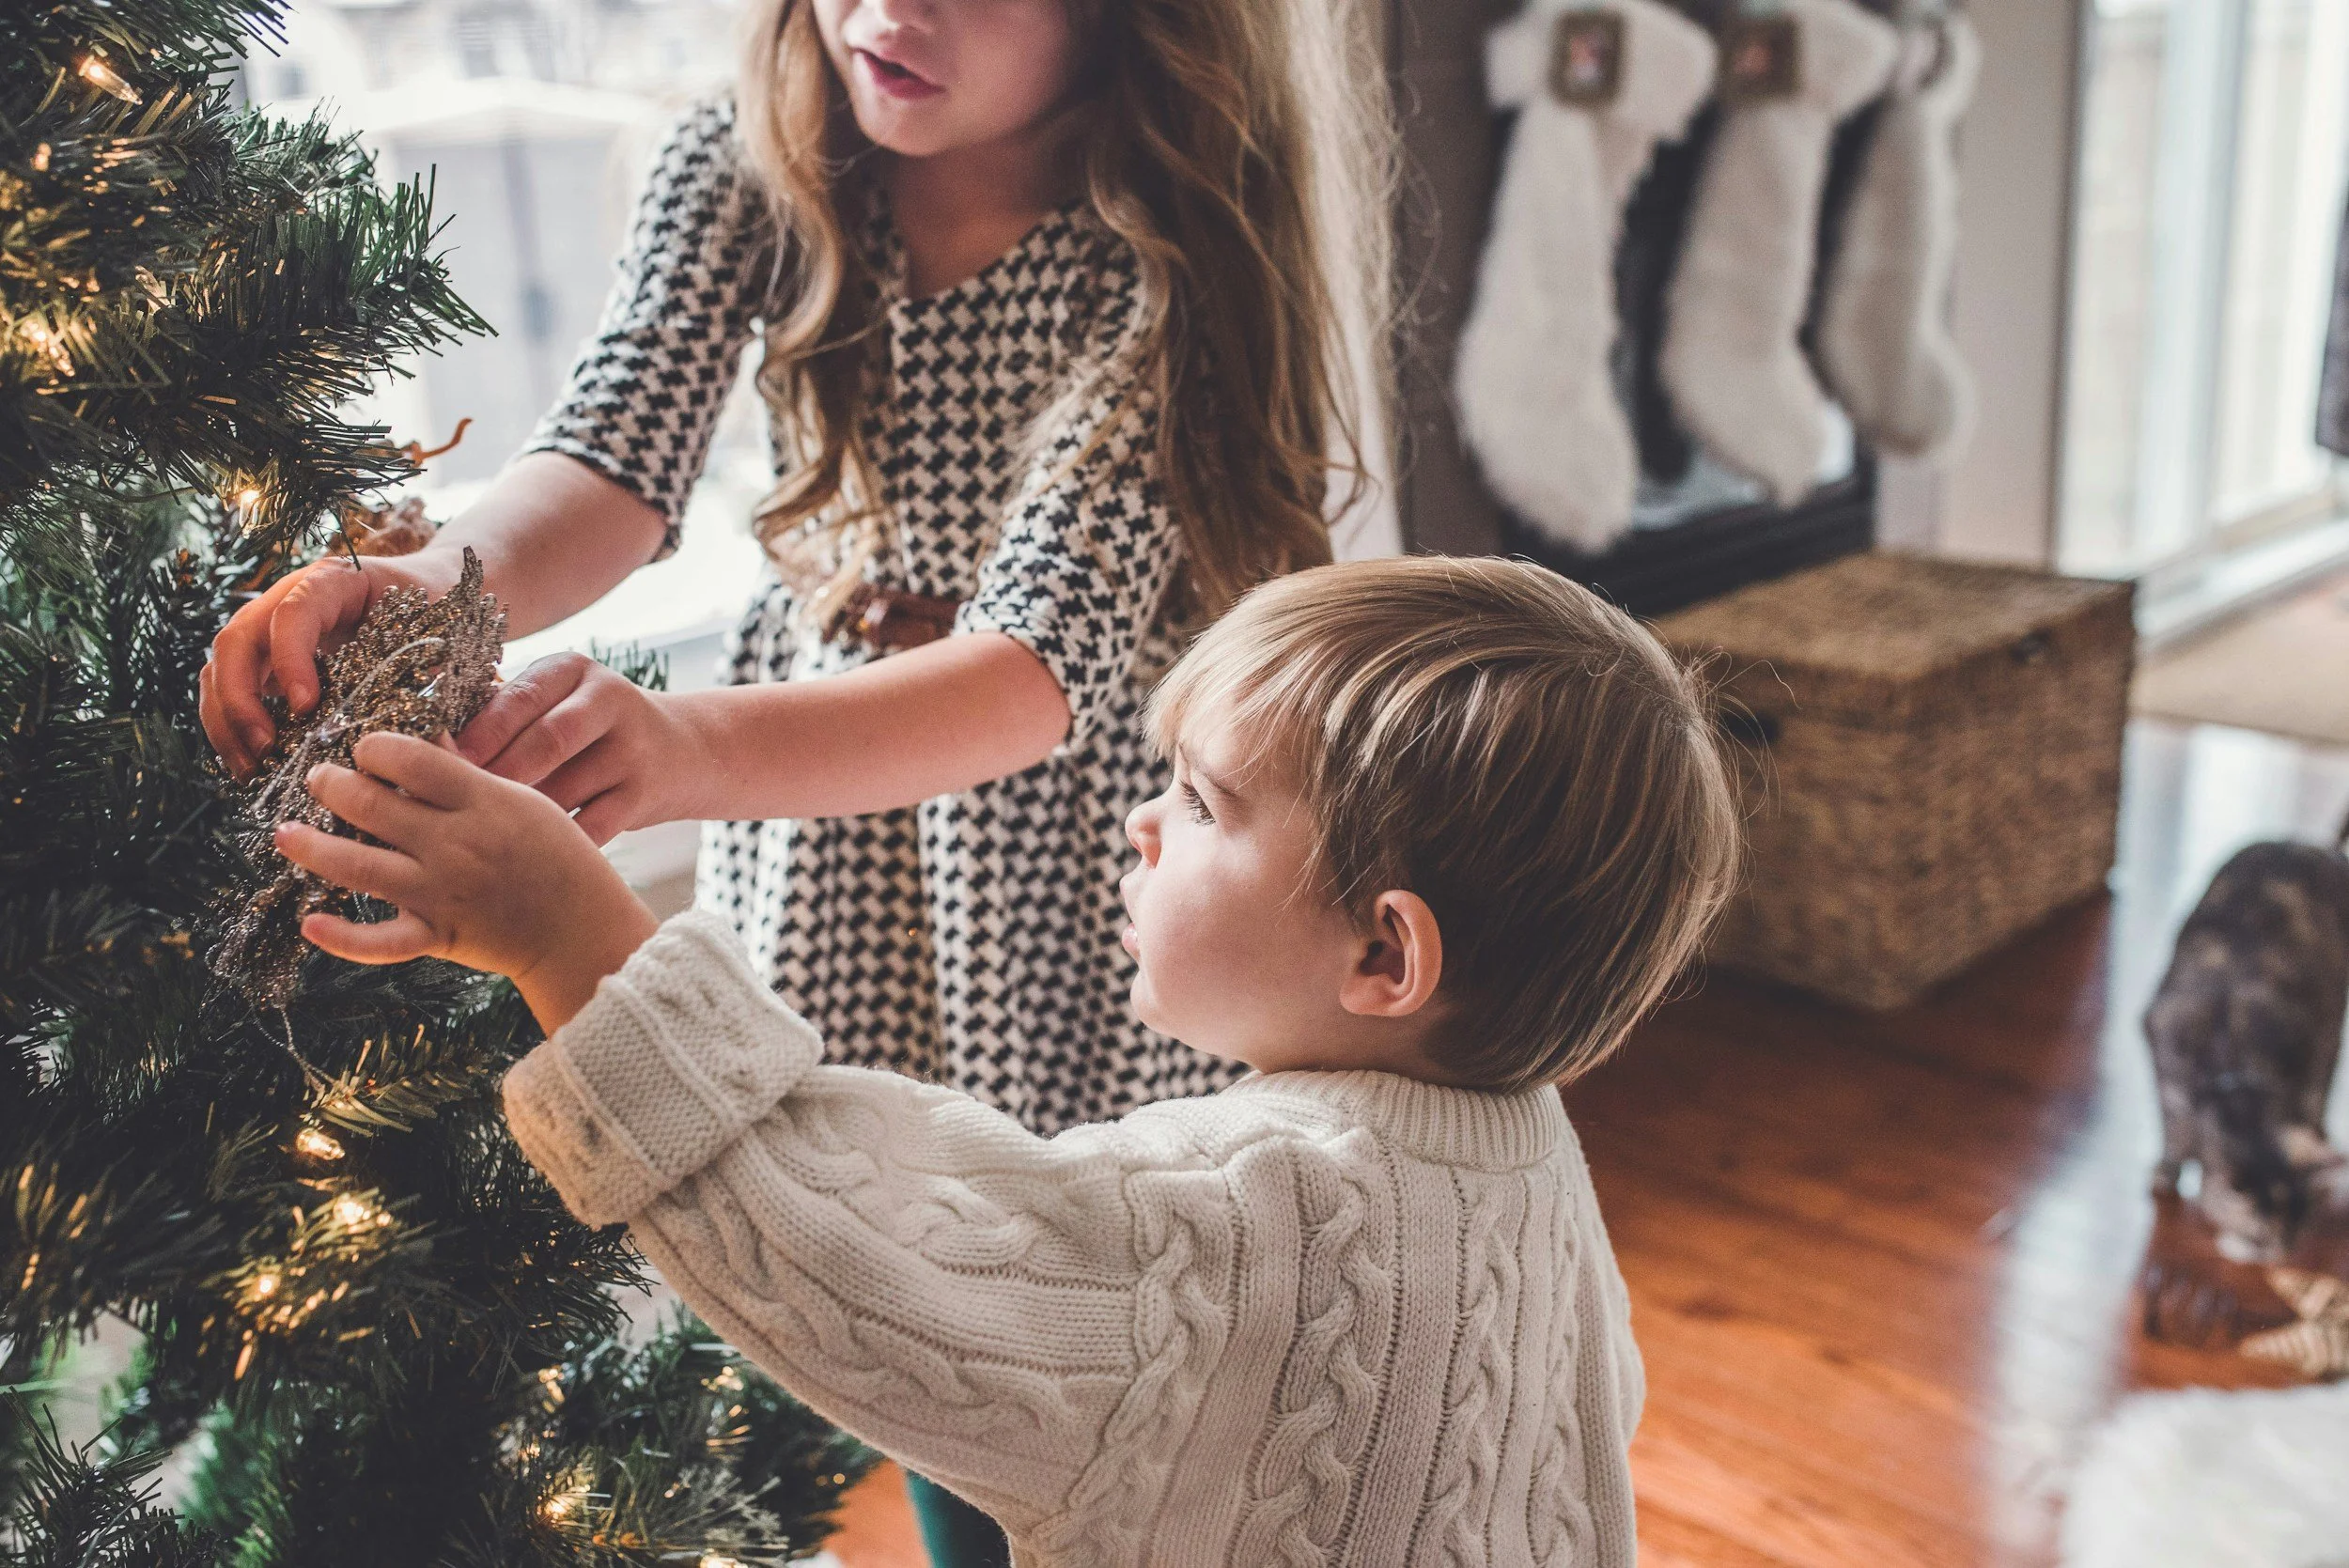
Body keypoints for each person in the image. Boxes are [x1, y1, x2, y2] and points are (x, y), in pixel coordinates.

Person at [201, 3, 1386, 1554]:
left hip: (1058, 866)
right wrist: (440, 579)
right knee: (828, 1257)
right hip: (824, 851)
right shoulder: (755, 156)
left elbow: (1036, 667)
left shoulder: (1164, 245)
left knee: (1030, 1325)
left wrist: (689, 747)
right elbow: (614, 457)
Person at [273, 555, 1743, 1566]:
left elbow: (839, 1247)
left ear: (1384, 959)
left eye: (1204, 803)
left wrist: (567, 938)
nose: (1140, 824)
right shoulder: (1526, 1151)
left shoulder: (1243, 1214)